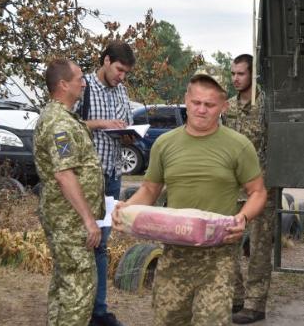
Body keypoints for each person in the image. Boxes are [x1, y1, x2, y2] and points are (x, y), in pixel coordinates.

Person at [112, 72, 268, 326]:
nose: (201, 110)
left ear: (223, 106)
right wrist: (127, 209)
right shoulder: (165, 144)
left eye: (210, 105)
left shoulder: (238, 145)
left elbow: (258, 192)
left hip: (218, 257)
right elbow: (150, 189)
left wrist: (243, 217)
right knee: (168, 321)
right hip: (174, 254)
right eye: (196, 103)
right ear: (186, 99)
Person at [34, 59, 105, 326]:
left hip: (64, 217)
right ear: (63, 85)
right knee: (79, 288)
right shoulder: (59, 124)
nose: (84, 83)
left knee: (64, 282)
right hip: (70, 220)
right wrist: (88, 220)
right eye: (79, 79)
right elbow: (64, 174)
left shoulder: (61, 117)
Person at [76, 40, 135, 326]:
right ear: (107, 60)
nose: (122, 77)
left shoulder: (122, 91)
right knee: (82, 242)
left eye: (126, 73)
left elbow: (124, 126)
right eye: (119, 70)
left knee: (101, 243)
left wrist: (128, 135)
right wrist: (99, 123)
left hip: (112, 176)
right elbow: (64, 124)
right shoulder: (81, 86)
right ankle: (79, 309)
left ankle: (98, 312)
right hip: (87, 179)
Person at [223, 55, 273, 324]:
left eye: (240, 74)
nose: (235, 78)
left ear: (252, 76)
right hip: (232, 186)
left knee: (258, 248)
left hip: (260, 186)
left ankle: (255, 303)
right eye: (233, 73)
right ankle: (237, 297)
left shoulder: (266, 105)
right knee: (228, 242)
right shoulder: (227, 106)